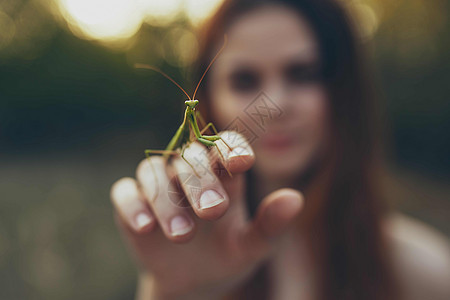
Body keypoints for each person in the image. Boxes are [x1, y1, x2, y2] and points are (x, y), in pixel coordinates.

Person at [110, 0, 450, 299]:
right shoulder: (196, 270)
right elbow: (184, 148)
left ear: (341, 92)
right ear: (213, 102)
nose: (274, 105)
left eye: (302, 74)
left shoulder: (429, 274)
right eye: (245, 80)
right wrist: (175, 294)